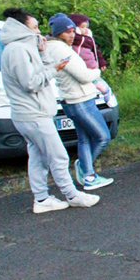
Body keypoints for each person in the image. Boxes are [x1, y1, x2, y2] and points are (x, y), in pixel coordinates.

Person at [0, 7, 99, 213]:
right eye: (34, 27)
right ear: (21, 28)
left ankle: (42, 199)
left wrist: (44, 53)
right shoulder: (17, 50)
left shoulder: (24, 48)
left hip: (31, 113)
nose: (38, 31)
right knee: (58, 156)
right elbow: (30, 82)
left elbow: (38, 71)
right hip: (33, 113)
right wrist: (54, 70)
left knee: (38, 157)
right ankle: (72, 195)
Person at [45, 13, 114, 190]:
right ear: (59, 33)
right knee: (102, 136)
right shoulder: (60, 50)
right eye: (68, 32)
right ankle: (85, 168)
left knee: (84, 139)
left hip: (73, 99)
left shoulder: (55, 48)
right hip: (79, 100)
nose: (72, 34)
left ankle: (89, 175)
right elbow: (83, 76)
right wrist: (97, 72)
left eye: (72, 30)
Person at [68, 13, 116, 106]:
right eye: (82, 27)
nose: (86, 29)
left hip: (92, 66)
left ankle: (105, 93)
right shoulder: (75, 39)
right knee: (92, 82)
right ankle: (103, 92)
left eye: (87, 27)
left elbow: (96, 51)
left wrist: (101, 62)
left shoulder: (89, 39)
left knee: (96, 81)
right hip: (83, 67)